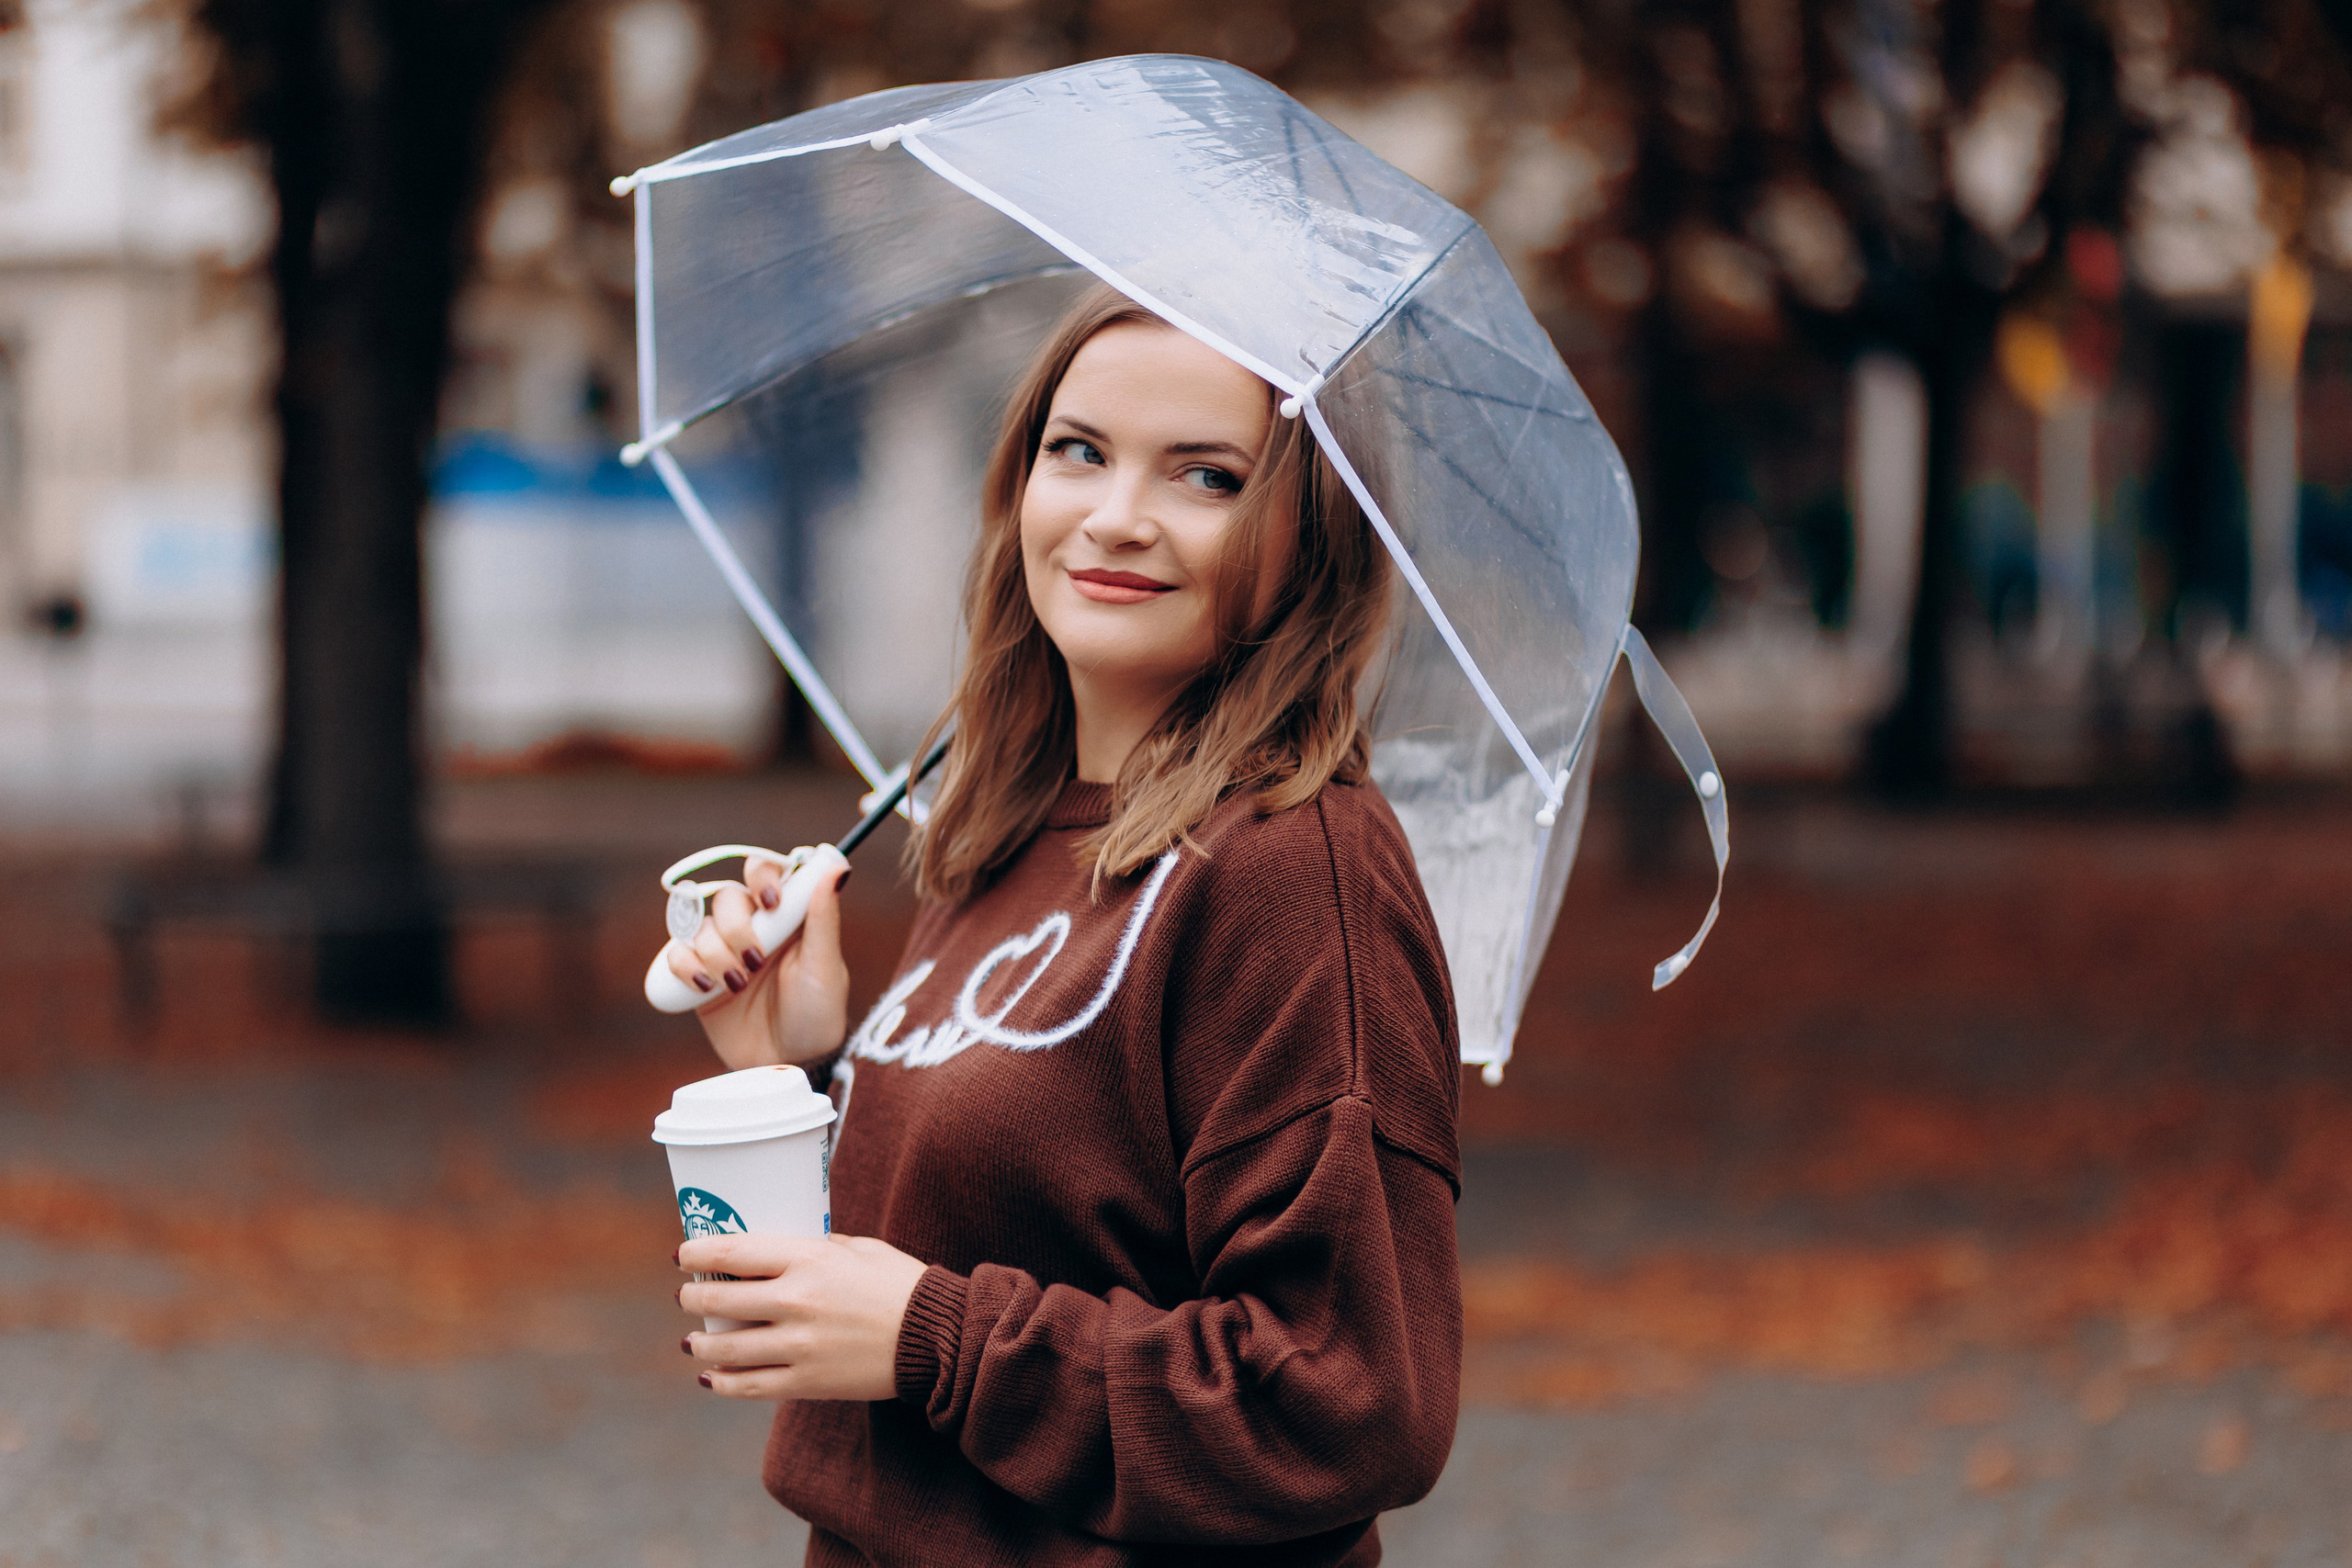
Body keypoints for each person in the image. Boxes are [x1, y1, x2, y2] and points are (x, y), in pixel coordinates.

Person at [662, 284, 1462, 1566]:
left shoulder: (1292, 868)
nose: (1116, 517)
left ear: (1307, 534)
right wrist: (796, 1070)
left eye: (1206, 477)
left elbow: (1349, 1398)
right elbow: (980, 1239)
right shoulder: (1001, 829)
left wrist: (937, 1338)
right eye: (1077, 451)